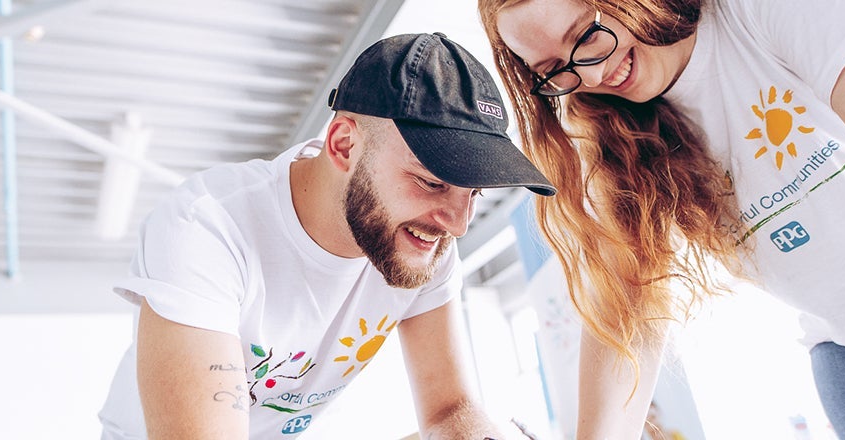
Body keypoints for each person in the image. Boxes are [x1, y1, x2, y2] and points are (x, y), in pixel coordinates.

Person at [476, 0, 845, 438]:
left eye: (588, 34)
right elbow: (625, 311)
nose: (590, 73)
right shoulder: (607, 131)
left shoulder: (757, 13)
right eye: (553, 71)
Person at [97, 32, 556, 439]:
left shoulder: (427, 239)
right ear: (344, 145)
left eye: (472, 192)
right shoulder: (205, 227)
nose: (456, 223)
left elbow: (448, 411)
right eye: (432, 182)